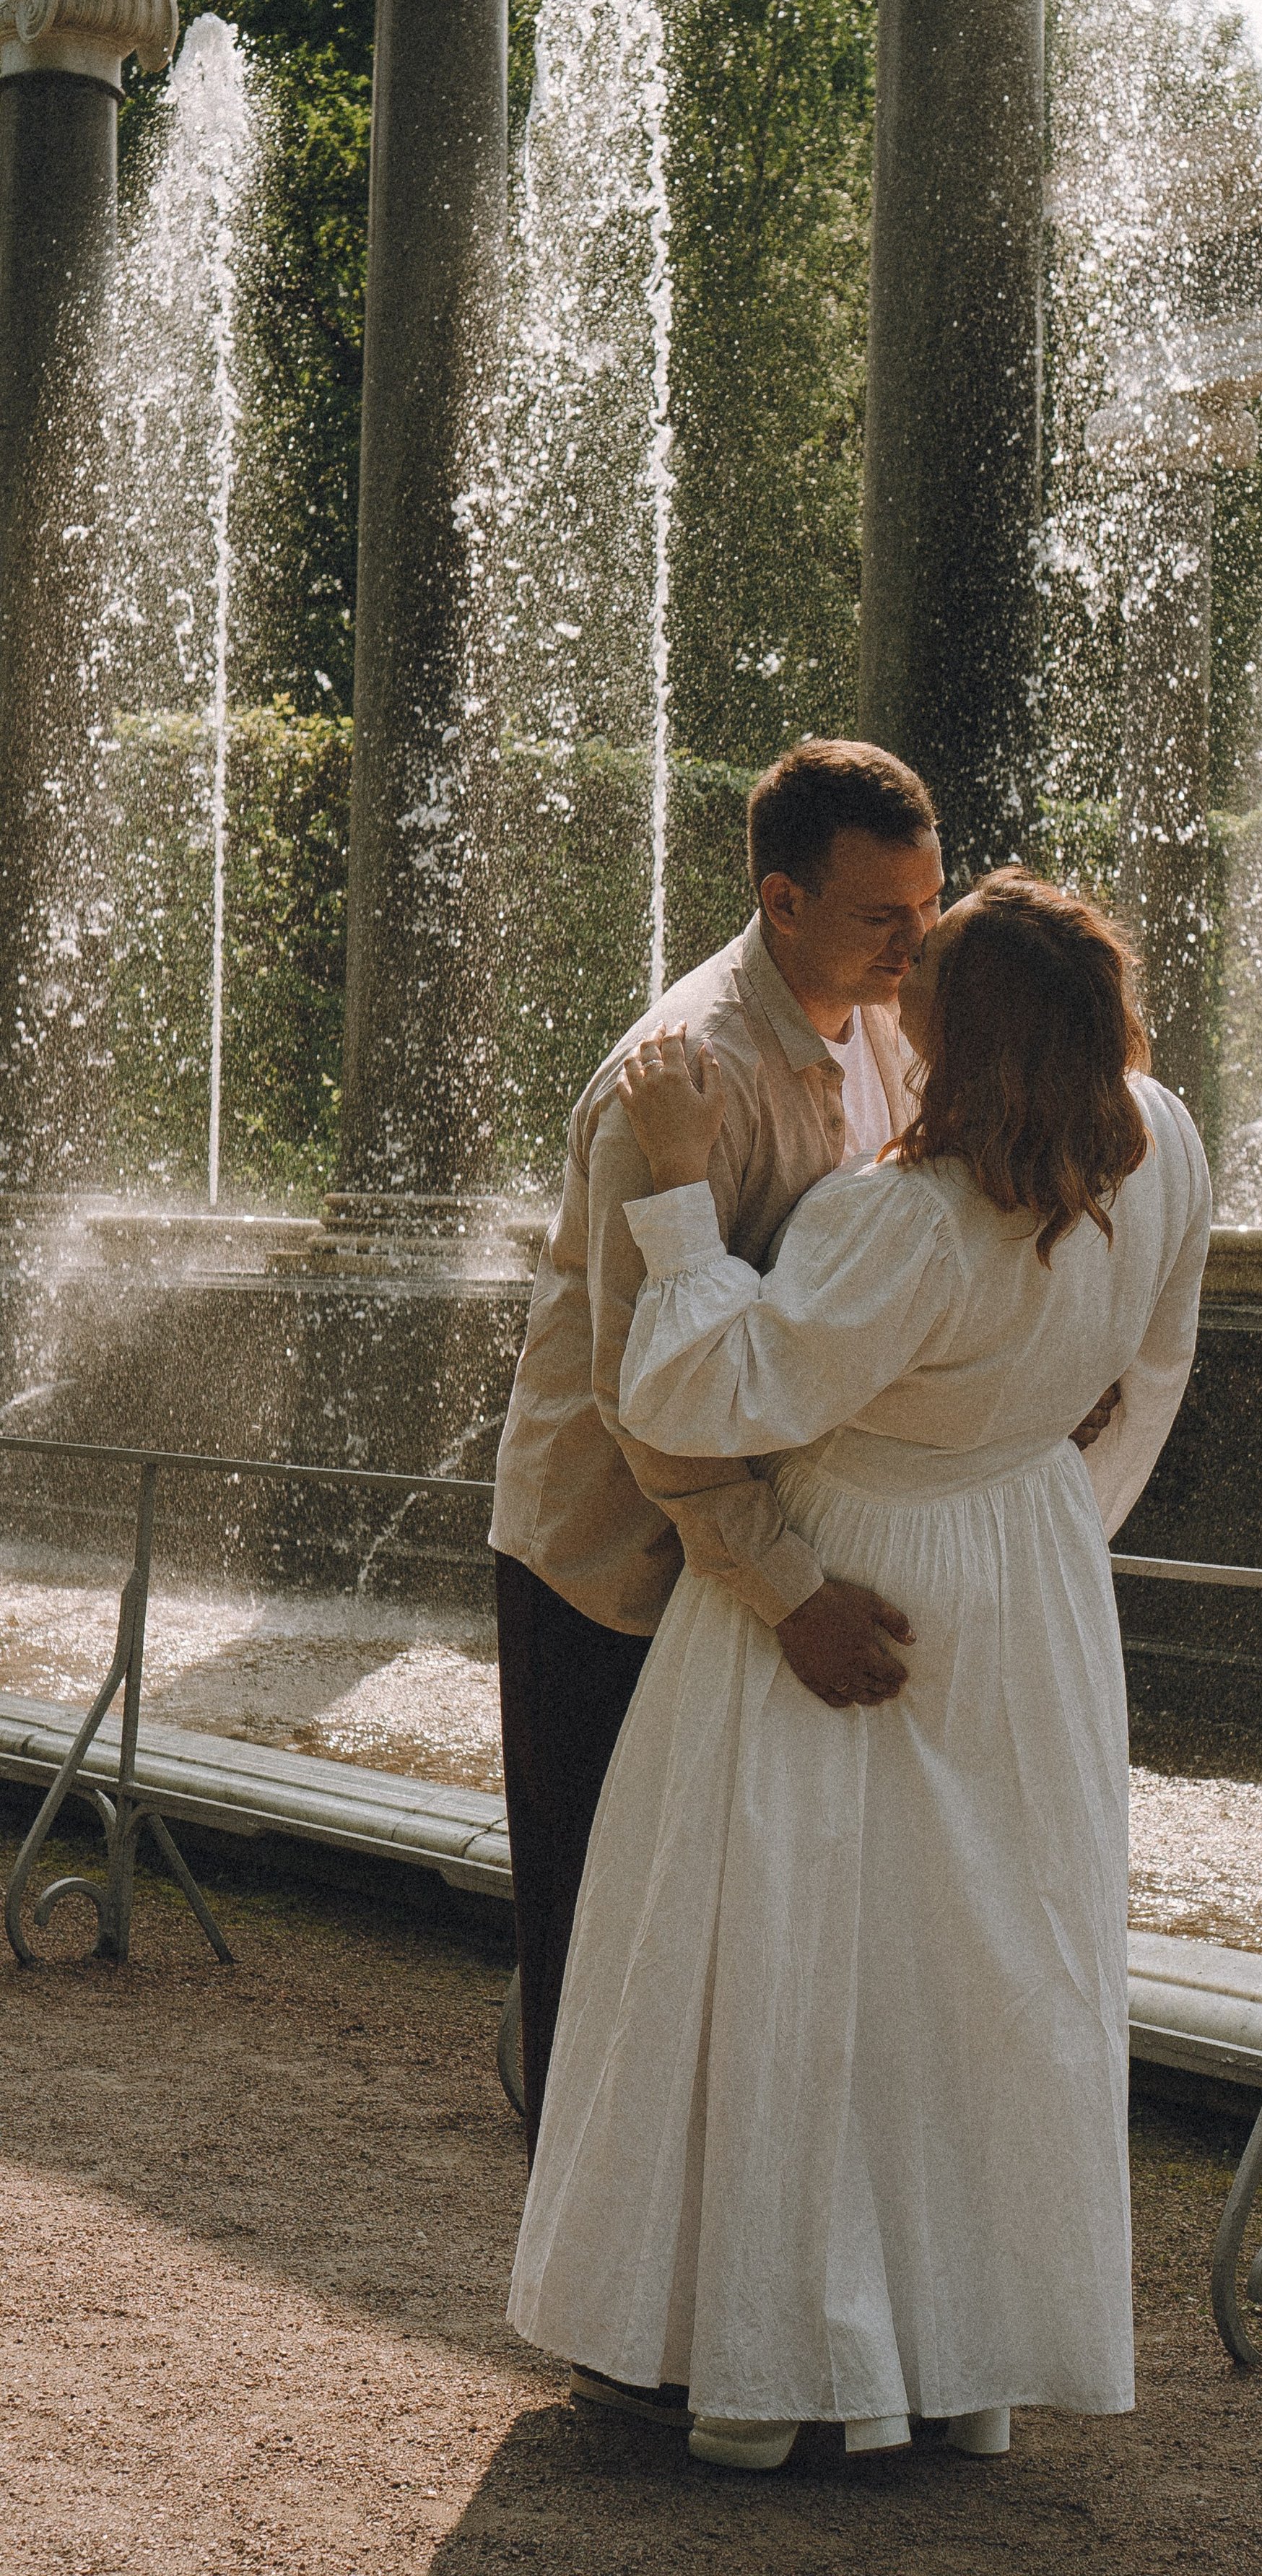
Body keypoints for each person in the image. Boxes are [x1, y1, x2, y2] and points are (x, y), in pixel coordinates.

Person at [508, 870, 1211, 2469]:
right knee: (977, 1978)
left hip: (852, 1567)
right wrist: (1054, 1530)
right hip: (1027, 1576)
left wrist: (680, 1196)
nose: (897, 990)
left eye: (928, 988)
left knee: (787, 1952)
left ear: (966, 1041)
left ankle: (763, 2378)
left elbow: (696, 1391)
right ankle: (967, 2372)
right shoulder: (1162, 1143)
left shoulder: (896, 1219)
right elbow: (1155, 1366)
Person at [489, 740, 944, 2220]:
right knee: (595, 1916)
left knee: (712, 1924)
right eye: (887, 915)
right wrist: (792, 1590)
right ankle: (581, 2265)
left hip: (734, 1545)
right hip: (611, 1550)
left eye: (928, 905)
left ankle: (682, 2247)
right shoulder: (678, 1071)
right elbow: (646, 1405)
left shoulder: (875, 1018)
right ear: (781, 899)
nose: (916, 942)